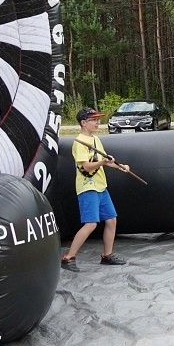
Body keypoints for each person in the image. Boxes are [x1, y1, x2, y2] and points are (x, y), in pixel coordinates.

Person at [60, 107, 130, 272]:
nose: (98, 122)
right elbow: (87, 166)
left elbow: (105, 160)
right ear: (83, 123)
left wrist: (121, 167)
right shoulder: (79, 143)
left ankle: (107, 255)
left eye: (98, 119)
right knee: (91, 224)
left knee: (111, 220)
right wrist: (103, 163)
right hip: (87, 188)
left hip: (100, 187)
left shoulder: (96, 140)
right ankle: (68, 258)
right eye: (94, 120)